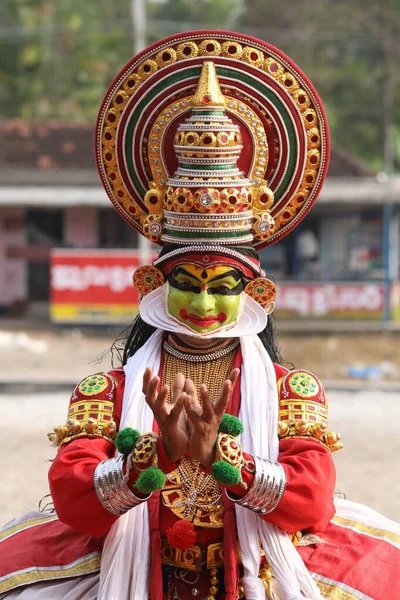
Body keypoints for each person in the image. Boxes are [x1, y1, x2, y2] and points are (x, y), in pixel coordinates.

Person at [0, 30, 399, 600]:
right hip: (133, 572)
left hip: (255, 572)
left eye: (223, 286)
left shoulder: (291, 390)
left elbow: (312, 499)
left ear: (256, 291)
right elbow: (72, 498)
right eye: (187, 283)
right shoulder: (107, 390)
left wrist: (227, 462)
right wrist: (154, 456)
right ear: (153, 284)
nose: (205, 305)